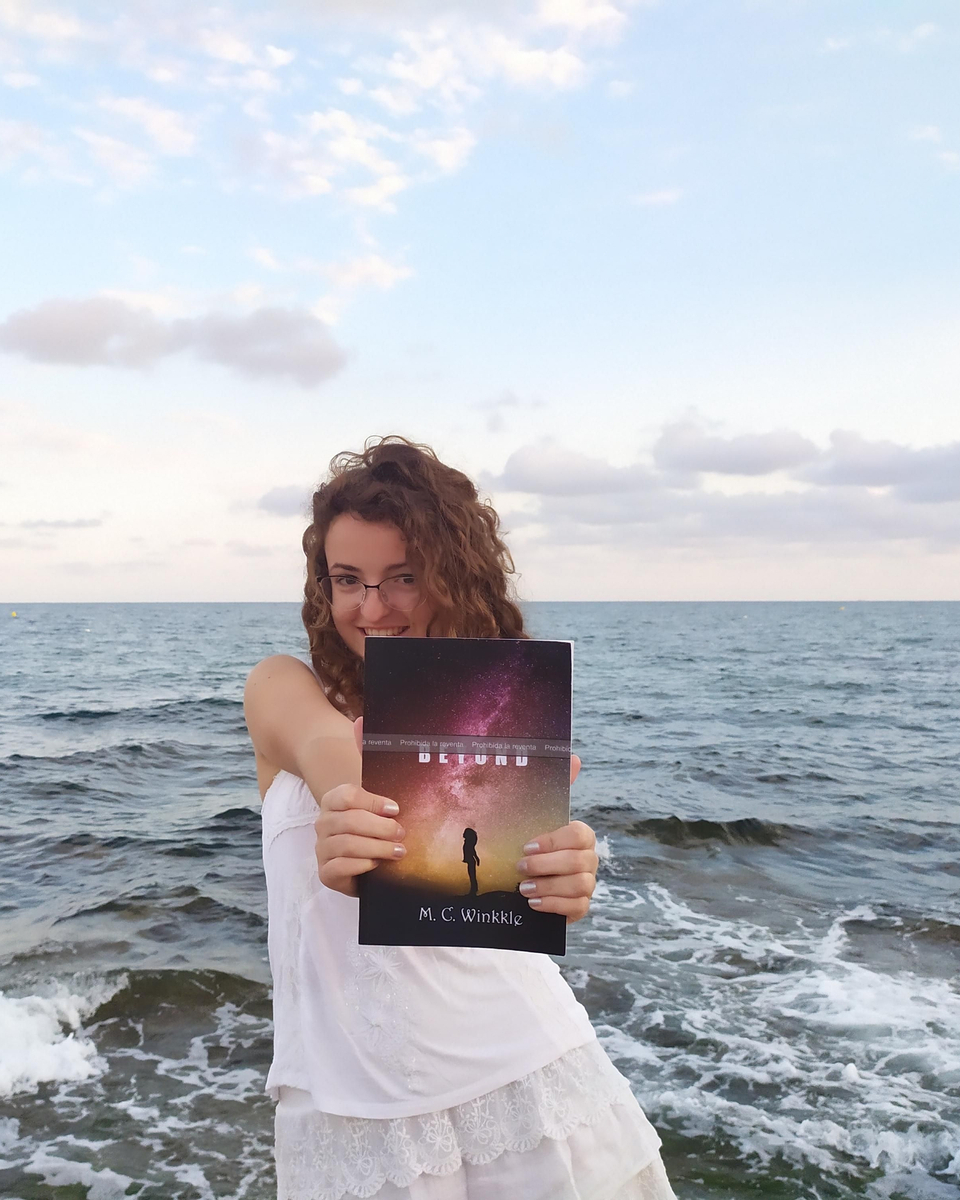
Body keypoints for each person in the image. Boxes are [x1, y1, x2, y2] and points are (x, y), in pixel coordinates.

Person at [244, 436, 675, 1200]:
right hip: (349, 1123)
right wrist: (363, 817)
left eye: (402, 578)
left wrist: (562, 871)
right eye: (349, 580)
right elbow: (322, 750)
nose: (371, 607)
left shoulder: (499, 731)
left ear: (451, 576)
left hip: (528, 1098)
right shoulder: (283, 688)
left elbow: (501, 893)